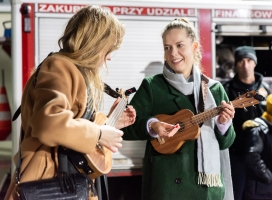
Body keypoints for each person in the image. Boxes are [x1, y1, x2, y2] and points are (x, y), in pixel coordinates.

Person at [5, 5, 136, 200]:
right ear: (96, 43)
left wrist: (111, 123)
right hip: (50, 185)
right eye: (110, 47)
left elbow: (72, 126)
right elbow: (50, 125)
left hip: (66, 183)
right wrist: (99, 134)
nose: (110, 56)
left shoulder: (70, 68)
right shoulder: (60, 66)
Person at [122, 18, 236, 200]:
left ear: (194, 46)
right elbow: (124, 127)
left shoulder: (214, 89)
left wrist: (223, 125)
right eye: (167, 47)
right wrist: (152, 126)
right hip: (167, 188)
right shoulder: (152, 86)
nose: (173, 53)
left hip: (207, 190)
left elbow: (226, 143)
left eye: (179, 45)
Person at [222, 45, 272, 200]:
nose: (245, 65)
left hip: (259, 157)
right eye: (241, 61)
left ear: (255, 63)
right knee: (234, 195)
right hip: (235, 156)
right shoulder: (226, 89)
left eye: (249, 60)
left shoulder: (265, 89)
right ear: (236, 64)